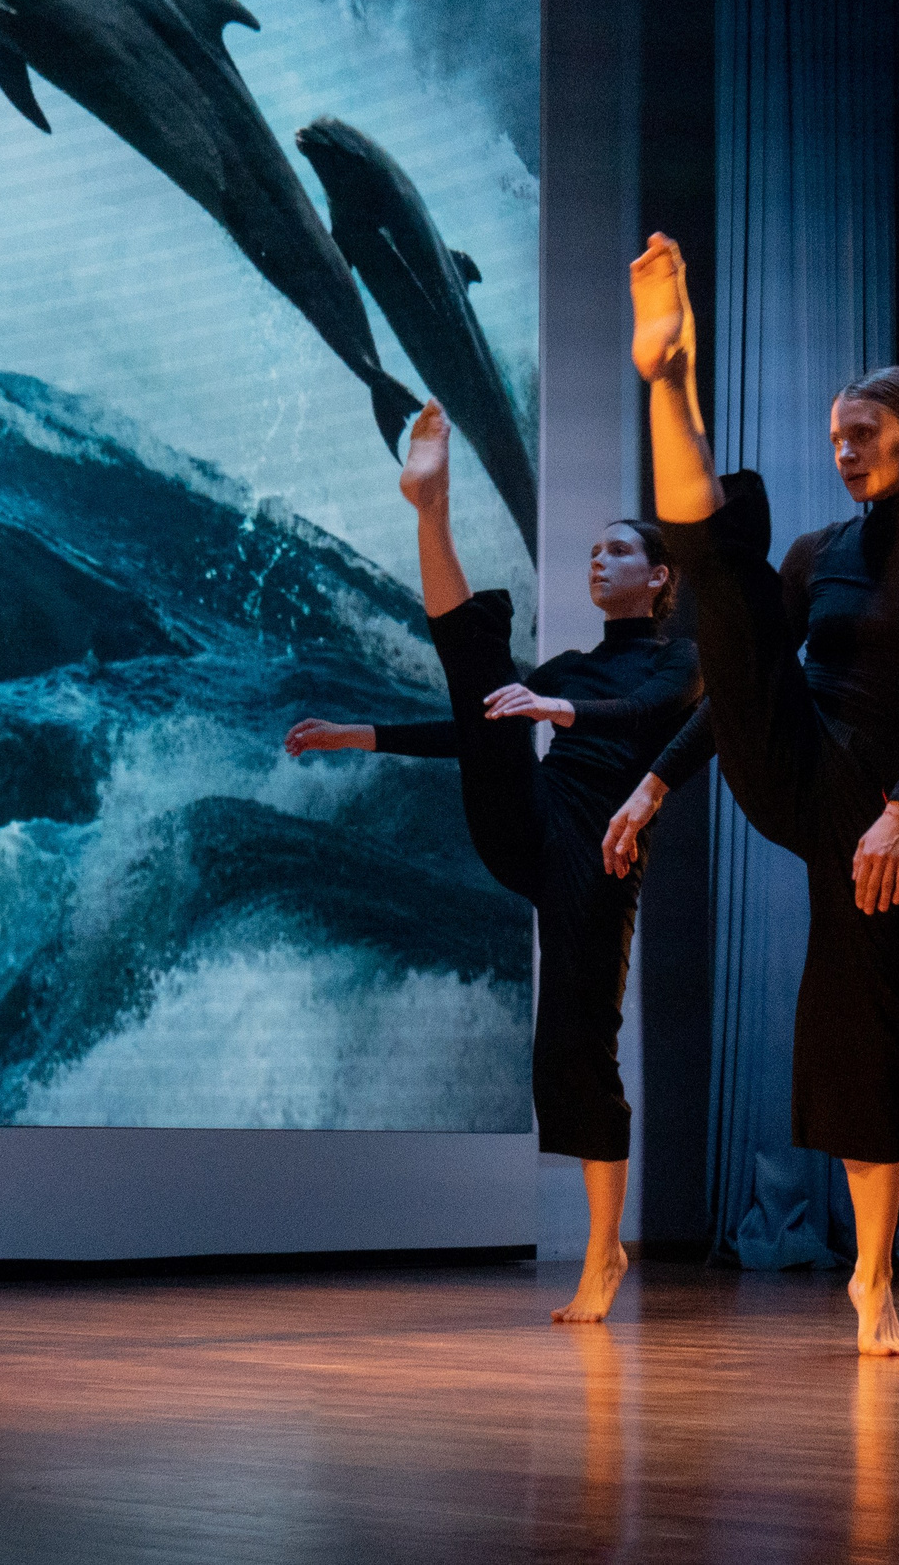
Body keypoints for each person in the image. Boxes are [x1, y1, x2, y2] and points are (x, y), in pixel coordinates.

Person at [627, 234, 899, 1356]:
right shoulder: (817, 550)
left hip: (880, 806)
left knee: (866, 1031)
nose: (844, 452)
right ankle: (670, 377)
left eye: (862, 435)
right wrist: (654, 782)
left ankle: (870, 1277)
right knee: (733, 598)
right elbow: (747, 683)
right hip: (798, 759)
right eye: (835, 438)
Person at [284, 403, 701, 1324]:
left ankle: (603, 1251)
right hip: (532, 821)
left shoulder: (680, 662)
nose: (599, 563)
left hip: (601, 854)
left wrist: (559, 713)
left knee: (575, 1050)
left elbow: (648, 718)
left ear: (659, 575)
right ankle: (430, 511)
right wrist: (361, 735)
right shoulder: (572, 663)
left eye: (619, 552)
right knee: (485, 684)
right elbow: (480, 730)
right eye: (592, 553)